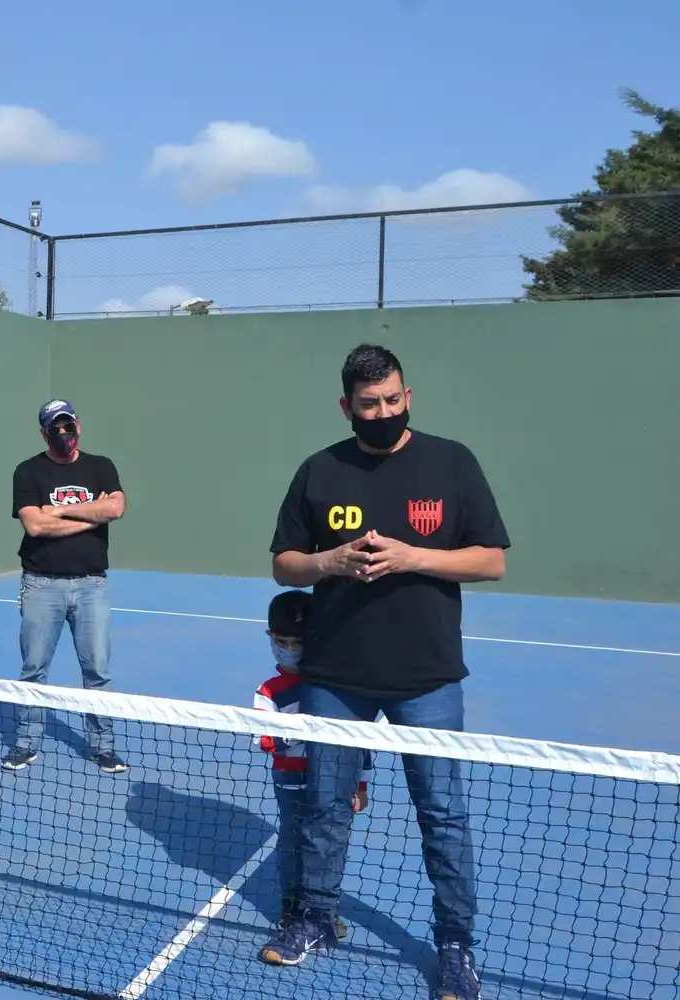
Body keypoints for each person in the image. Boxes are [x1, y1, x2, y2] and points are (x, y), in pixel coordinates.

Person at [261, 343, 509, 1000]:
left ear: (408, 395)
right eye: (368, 404)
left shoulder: (452, 463)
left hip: (428, 678)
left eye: (393, 400)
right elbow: (285, 563)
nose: (383, 412)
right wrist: (331, 562)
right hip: (335, 675)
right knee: (323, 805)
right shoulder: (318, 471)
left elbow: (490, 561)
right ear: (347, 406)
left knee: (444, 814)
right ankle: (314, 917)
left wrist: (411, 556)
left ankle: (455, 944)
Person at [3, 398, 128, 775]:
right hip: (41, 585)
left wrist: (55, 510)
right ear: (44, 433)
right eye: (54, 428)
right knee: (34, 669)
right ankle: (26, 744)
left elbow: (116, 508)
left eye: (67, 425)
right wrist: (90, 516)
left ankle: (103, 747)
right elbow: (36, 526)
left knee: (98, 672)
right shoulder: (27, 472)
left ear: (78, 425)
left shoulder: (101, 467)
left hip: (92, 586)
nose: (63, 434)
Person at [253, 588, 369, 942]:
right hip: (290, 780)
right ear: (270, 637)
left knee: (329, 842)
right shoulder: (269, 691)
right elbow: (265, 739)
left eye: (297, 642)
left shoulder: (338, 688)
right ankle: (292, 907)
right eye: (282, 641)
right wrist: (303, 736)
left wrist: (360, 784)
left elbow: (359, 742)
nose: (289, 649)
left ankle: (322, 911)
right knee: (294, 839)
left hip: (335, 781)